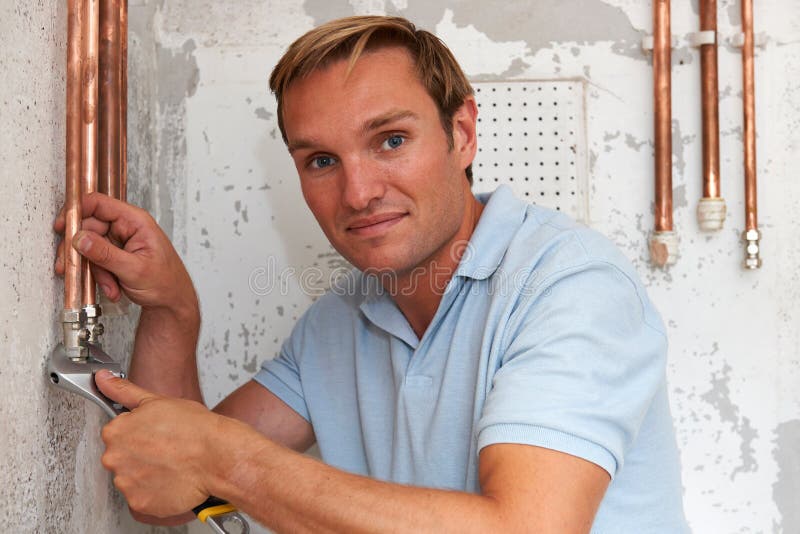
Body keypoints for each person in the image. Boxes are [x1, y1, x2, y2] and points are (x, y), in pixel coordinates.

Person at [55, 15, 688, 533]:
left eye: (390, 141)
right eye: (322, 159)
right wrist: (172, 310)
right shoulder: (337, 324)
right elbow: (164, 496)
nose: (358, 192)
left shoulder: (570, 288)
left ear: (461, 134)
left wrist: (230, 464)